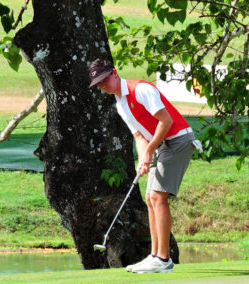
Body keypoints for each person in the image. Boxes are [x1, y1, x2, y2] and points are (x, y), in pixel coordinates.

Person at [88, 59, 202, 273]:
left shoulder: (139, 89)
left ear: (114, 73)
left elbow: (165, 121)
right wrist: (143, 157)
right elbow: (139, 136)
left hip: (178, 140)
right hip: (161, 145)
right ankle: (155, 256)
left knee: (158, 196)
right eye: (98, 84)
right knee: (150, 197)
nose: (103, 86)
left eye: (104, 80)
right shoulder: (120, 104)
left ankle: (163, 259)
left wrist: (150, 150)